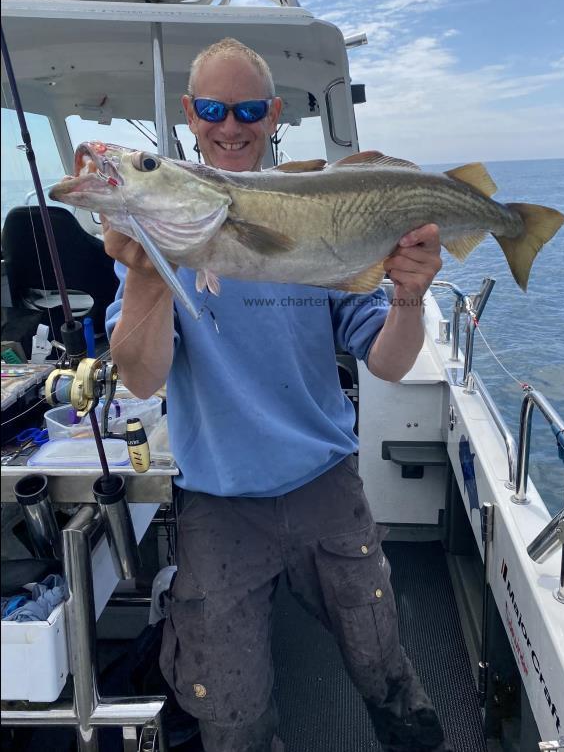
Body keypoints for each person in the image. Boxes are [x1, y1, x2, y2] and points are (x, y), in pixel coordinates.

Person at [104, 38, 449, 752]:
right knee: (228, 711)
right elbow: (139, 377)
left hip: (327, 490)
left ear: (275, 115)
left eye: (249, 109)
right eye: (212, 109)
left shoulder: (317, 224)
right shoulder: (154, 233)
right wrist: (146, 272)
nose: (231, 126)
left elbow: (385, 362)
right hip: (218, 505)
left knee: (383, 664)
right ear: (189, 116)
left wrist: (409, 297)